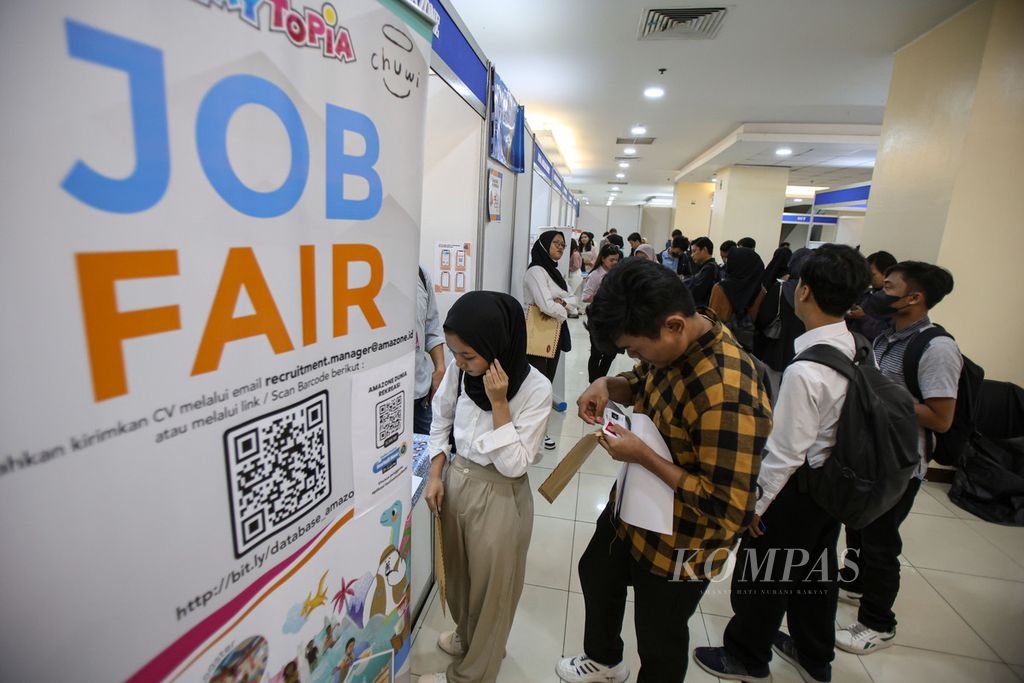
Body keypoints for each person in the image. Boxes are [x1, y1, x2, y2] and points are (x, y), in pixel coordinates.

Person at [556, 259, 772, 683]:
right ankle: (604, 661)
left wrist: (643, 456)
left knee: (659, 639)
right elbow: (644, 377)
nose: (636, 357)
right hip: (633, 510)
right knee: (597, 571)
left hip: (684, 541)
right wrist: (608, 385)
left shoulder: (727, 394)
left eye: (636, 348)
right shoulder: (682, 335)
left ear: (673, 325)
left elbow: (729, 508)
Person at [694, 244, 871, 683]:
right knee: (817, 574)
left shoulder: (806, 370)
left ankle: (747, 657)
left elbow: (787, 452)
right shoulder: (854, 344)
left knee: (764, 577)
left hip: (797, 490)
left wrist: (756, 507)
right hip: (832, 485)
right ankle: (815, 655)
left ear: (804, 291)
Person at [421, 291, 553, 683]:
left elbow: (513, 464)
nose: (460, 364)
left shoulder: (536, 390)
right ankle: (468, 638)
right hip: (457, 479)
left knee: (493, 592)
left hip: (500, 494)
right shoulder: (463, 373)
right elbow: (441, 417)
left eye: (468, 356)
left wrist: (499, 403)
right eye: (455, 354)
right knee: (460, 578)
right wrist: (435, 472)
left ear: (499, 345)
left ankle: (474, 673)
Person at [836, 261, 961, 655]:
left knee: (881, 542)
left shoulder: (937, 348)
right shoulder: (890, 337)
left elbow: (941, 417)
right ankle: (855, 582)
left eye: (887, 286)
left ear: (914, 297)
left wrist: (879, 399)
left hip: (901, 463)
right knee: (858, 528)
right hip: (871, 454)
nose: (878, 292)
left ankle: (878, 623)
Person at [523, 230, 576, 450]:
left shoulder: (554, 273)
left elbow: (573, 299)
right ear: (544, 245)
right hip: (537, 337)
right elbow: (545, 305)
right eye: (556, 243)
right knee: (537, 386)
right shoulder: (536, 271)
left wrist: (562, 303)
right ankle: (532, 433)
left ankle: (539, 431)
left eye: (563, 245)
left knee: (546, 384)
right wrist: (563, 305)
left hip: (553, 334)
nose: (561, 248)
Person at [754, 248, 812, 382]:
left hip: (776, 351)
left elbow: (763, 319)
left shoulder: (780, 288)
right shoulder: (818, 294)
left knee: (772, 393)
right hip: (804, 355)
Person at [709, 247, 766, 350]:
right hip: (748, 347)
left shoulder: (720, 288)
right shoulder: (761, 291)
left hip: (721, 344)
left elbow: (712, 320)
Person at [582, 244, 622, 382]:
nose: (615, 263)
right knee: (596, 353)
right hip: (598, 318)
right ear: (603, 259)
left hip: (614, 319)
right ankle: (594, 382)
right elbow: (585, 297)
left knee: (611, 353)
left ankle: (600, 380)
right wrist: (604, 297)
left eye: (617, 259)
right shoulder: (595, 275)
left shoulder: (617, 273)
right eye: (612, 260)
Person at [415, 267, 446, 435]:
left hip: (420, 395)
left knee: (430, 452)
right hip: (382, 394)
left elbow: (431, 330)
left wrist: (440, 368)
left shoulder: (420, 274)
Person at [847, 250, 897, 341]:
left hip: (869, 350)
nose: (869, 278)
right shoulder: (866, 292)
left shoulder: (895, 302)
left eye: (873, 274)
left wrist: (862, 317)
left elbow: (885, 334)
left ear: (887, 273)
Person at [683, 236, 719, 307]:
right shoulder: (706, 266)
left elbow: (697, 292)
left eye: (694, 251)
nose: (692, 255)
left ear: (704, 250)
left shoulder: (710, 268)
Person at [568, 238, 584, 307]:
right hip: (576, 274)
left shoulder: (575, 254)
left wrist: (569, 269)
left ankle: (573, 309)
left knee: (572, 292)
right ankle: (575, 308)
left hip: (575, 275)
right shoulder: (576, 252)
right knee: (575, 293)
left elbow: (576, 266)